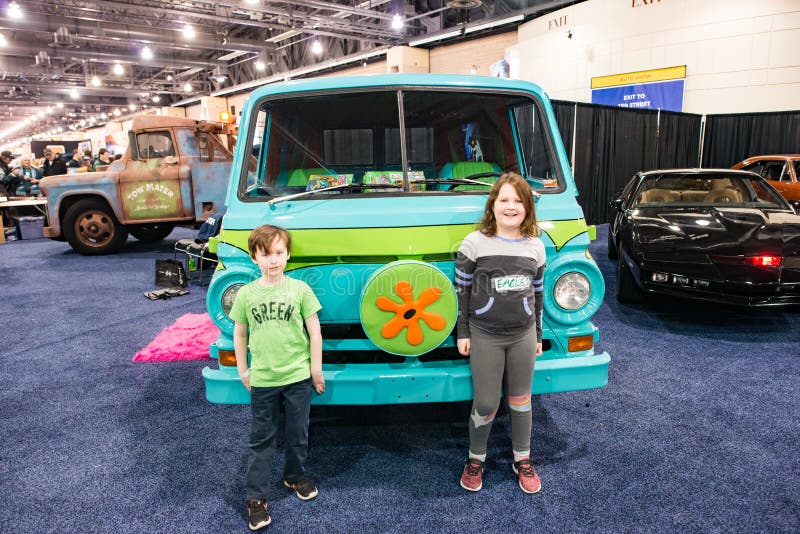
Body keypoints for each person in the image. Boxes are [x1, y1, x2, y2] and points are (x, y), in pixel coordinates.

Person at [229, 224, 325, 531]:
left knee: (298, 434)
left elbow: (314, 331)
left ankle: (294, 476)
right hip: (264, 380)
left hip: (297, 377)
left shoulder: (299, 290)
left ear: (288, 254)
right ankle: (255, 498)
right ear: (254, 257)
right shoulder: (245, 294)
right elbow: (239, 333)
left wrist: (316, 369)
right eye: (266, 253)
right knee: (262, 440)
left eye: (279, 253)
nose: (273, 259)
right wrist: (243, 370)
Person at [455, 173, 546, 495]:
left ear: (527, 208)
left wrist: (536, 335)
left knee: (521, 401)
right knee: (486, 402)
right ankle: (475, 458)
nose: (511, 207)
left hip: (522, 336)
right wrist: (463, 331)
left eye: (518, 201)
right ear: (492, 205)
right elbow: (461, 292)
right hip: (485, 336)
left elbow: (537, 295)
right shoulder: (474, 243)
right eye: (504, 200)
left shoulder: (535, 246)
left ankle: (522, 458)